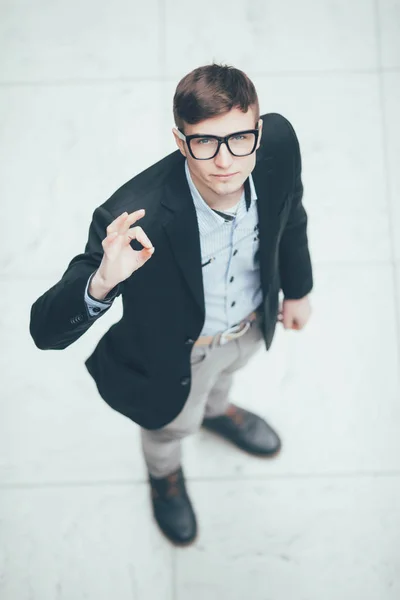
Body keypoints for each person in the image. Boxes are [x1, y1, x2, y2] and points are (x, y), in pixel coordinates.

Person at [30, 63, 313, 546]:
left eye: (239, 139)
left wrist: (299, 288)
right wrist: (102, 281)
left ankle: (218, 413)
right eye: (205, 142)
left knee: (226, 377)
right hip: (178, 355)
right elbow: (44, 331)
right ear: (181, 142)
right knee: (167, 430)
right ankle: (164, 478)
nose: (226, 161)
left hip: (247, 325)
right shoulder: (132, 215)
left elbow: (292, 214)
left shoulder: (279, 146)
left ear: (258, 131)